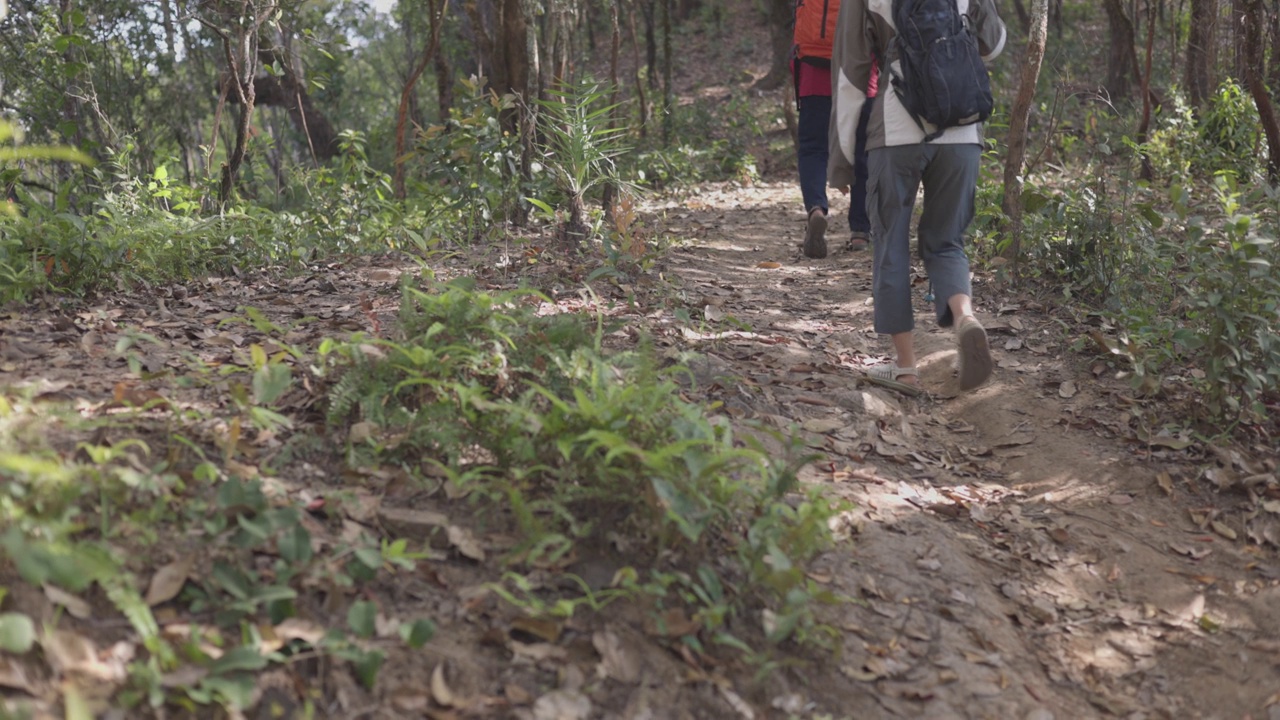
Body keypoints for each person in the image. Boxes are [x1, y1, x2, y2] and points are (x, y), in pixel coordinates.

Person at [828, 0, 1005, 390]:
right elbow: (992, 45)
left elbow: (850, 74)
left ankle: (906, 367)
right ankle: (964, 318)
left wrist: (841, 160)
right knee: (947, 241)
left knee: (890, 243)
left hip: (895, 132)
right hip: (962, 130)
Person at [792, 0, 878, 259]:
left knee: (813, 147)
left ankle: (816, 209)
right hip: (859, 69)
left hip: (813, 67)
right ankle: (861, 231)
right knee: (865, 148)